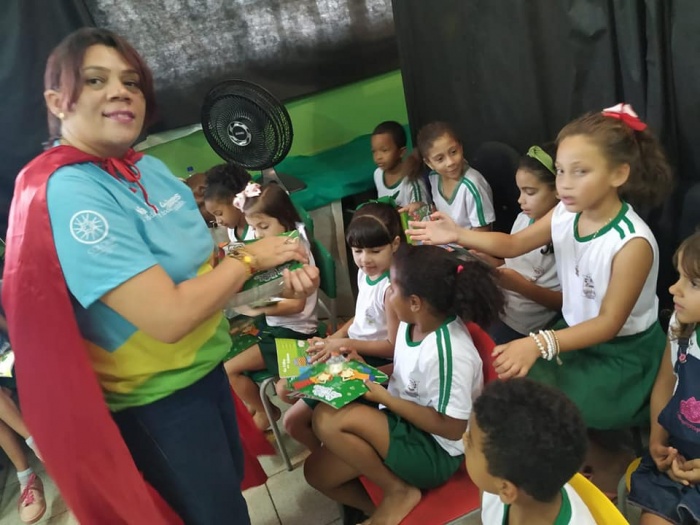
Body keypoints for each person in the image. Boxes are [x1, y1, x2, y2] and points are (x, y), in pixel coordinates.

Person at [2, 27, 319, 525]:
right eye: (95, 80)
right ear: (57, 101)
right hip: (159, 402)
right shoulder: (71, 192)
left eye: (131, 81)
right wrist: (250, 261)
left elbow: (204, 275)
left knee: (227, 502)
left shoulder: (146, 170)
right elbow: (169, 315)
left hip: (205, 367)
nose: (120, 91)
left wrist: (279, 279)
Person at [408, 103, 672, 492]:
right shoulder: (567, 212)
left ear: (619, 173)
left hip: (622, 355)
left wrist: (538, 343)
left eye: (580, 172)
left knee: (537, 394)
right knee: (518, 381)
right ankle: (583, 455)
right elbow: (513, 244)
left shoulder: (631, 243)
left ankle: (606, 462)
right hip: (574, 335)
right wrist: (457, 234)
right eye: (561, 171)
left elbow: (608, 324)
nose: (565, 183)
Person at [304, 244, 504, 525]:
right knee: (316, 473)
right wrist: (367, 371)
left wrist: (384, 398)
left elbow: (452, 427)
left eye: (393, 287)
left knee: (327, 418)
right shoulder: (413, 324)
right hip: (403, 419)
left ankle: (398, 492)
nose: (387, 293)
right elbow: (407, 376)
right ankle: (379, 509)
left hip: (435, 450)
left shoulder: (449, 352)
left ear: (415, 302)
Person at [282, 202, 402, 451]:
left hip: (370, 362)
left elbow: (393, 348)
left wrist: (341, 343)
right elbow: (362, 317)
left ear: (396, 244)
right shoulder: (365, 273)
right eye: (357, 251)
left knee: (293, 422)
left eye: (375, 251)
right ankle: (333, 446)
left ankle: (334, 455)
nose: (365, 259)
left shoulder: (392, 290)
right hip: (348, 349)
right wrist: (331, 339)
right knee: (285, 387)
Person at [224, 182, 319, 431]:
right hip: (273, 328)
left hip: (293, 334)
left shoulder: (296, 252)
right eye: (254, 228)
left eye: (263, 227)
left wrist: (254, 306)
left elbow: (296, 304)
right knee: (223, 350)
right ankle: (256, 405)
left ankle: (267, 412)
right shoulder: (281, 247)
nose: (257, 235)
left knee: (229, 370)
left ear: (285, 220)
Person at [628, 232, 700, 525]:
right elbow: (666, 383)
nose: (673, 288)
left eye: (693, 283)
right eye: (679, 276)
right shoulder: (682, 325)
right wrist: (658, 441)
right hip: (679, 456)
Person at [465, 378, 595, 524]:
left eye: (470, 443)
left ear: (506, 489)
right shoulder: (497, 484)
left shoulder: (500, 478)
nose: (464, 438)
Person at [484, 144, 562, 344]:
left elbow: (564, 304)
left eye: (530, 192)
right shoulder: (523, 218)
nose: (520, 200)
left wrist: (519, 285)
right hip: (501, 306)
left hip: (526, 328)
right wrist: (493, 263)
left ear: (558, 189)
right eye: (519, 191)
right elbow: (515, 264)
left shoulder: (563, 237)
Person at [407, 121, 495, 231]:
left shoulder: (472, 186)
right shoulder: (435, 177)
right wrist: (422, 207)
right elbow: (444, 212)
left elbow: (483, 232)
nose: (450, 162)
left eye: (453, 152)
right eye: (440, 159)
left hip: (467, 241)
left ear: (461, 147)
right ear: (429, 163)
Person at [372, 121, 428, 208]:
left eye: (384, 150)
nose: (378, 157)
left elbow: (422, 212)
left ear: (401, 152)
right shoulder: (378, 174)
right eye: (374, 151)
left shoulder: (412, 180)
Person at [203, 162, 256, 243]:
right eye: (214, 216)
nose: (218, 221)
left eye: (219, 214)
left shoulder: (257, 228)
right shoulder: (231, 231)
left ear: (238, 200)